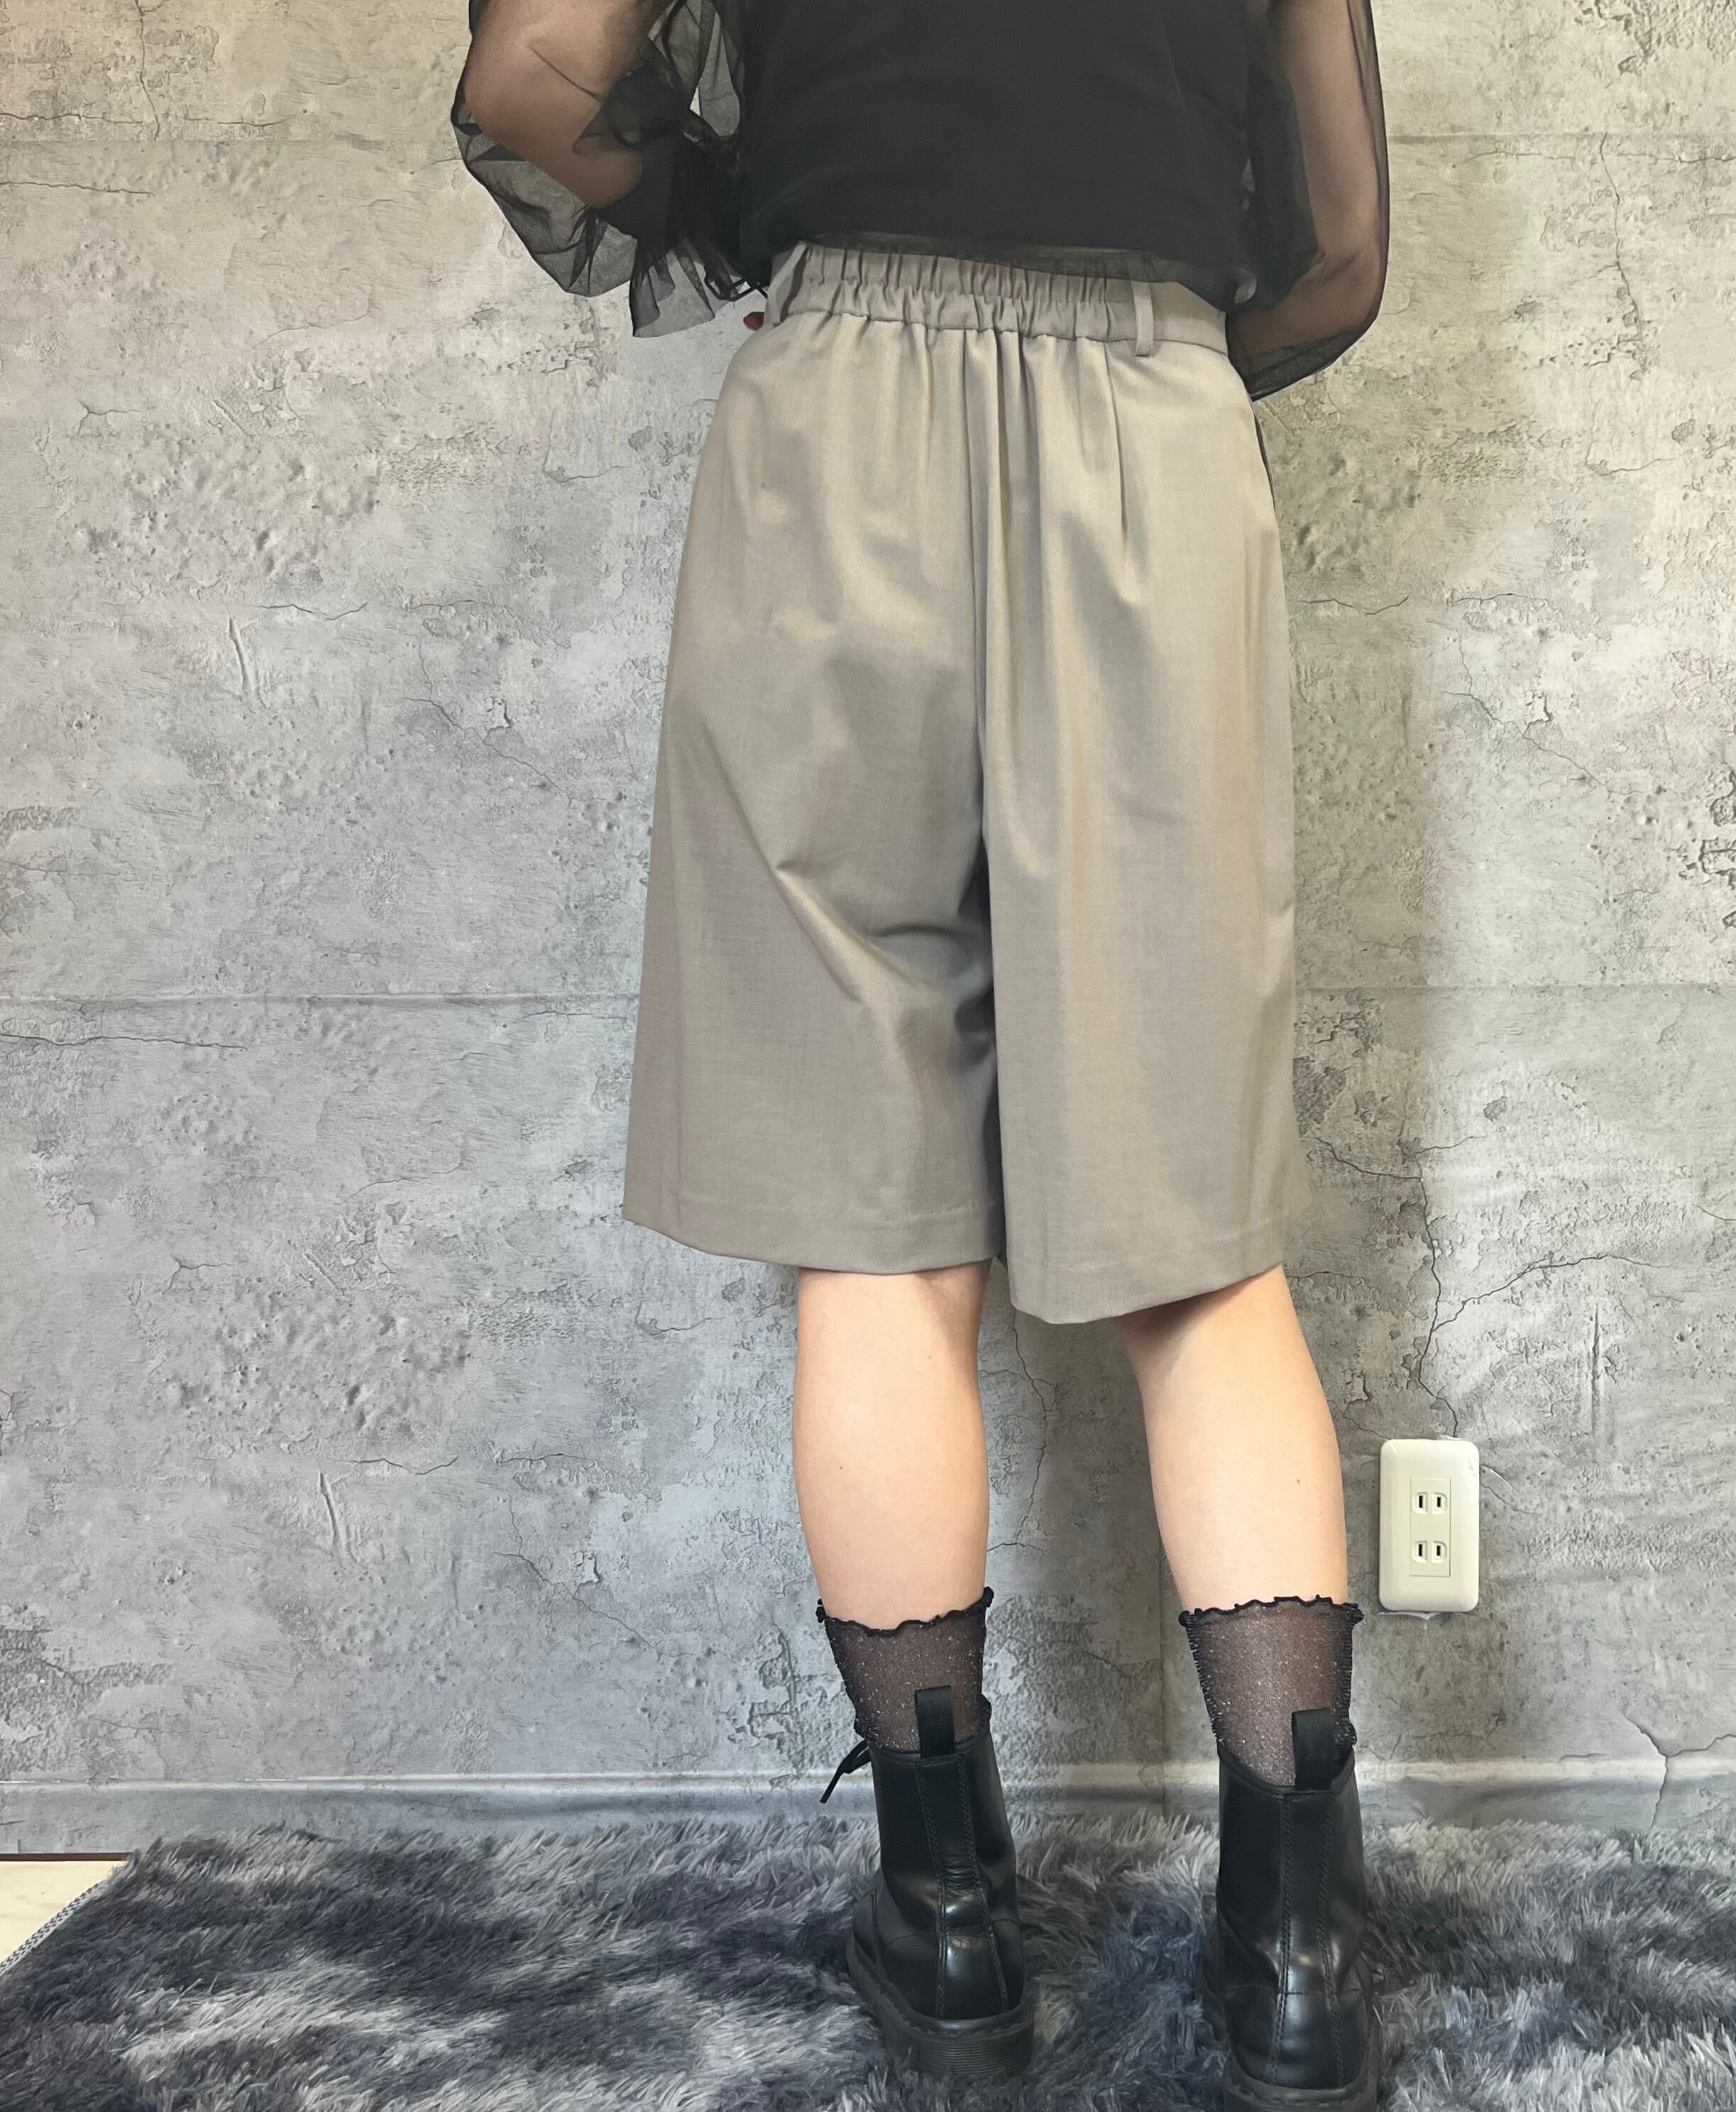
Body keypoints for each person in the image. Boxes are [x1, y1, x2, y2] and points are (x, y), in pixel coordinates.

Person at [452, 4, 1390, 2103]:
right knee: (1199, 1248)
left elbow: (531, 83)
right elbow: (1338, 250)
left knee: (872, 1231)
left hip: (838, 430)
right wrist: (1129, 370)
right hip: (1148, 426)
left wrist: (763, 213)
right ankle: (1297, 1951)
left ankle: (951, 1929)